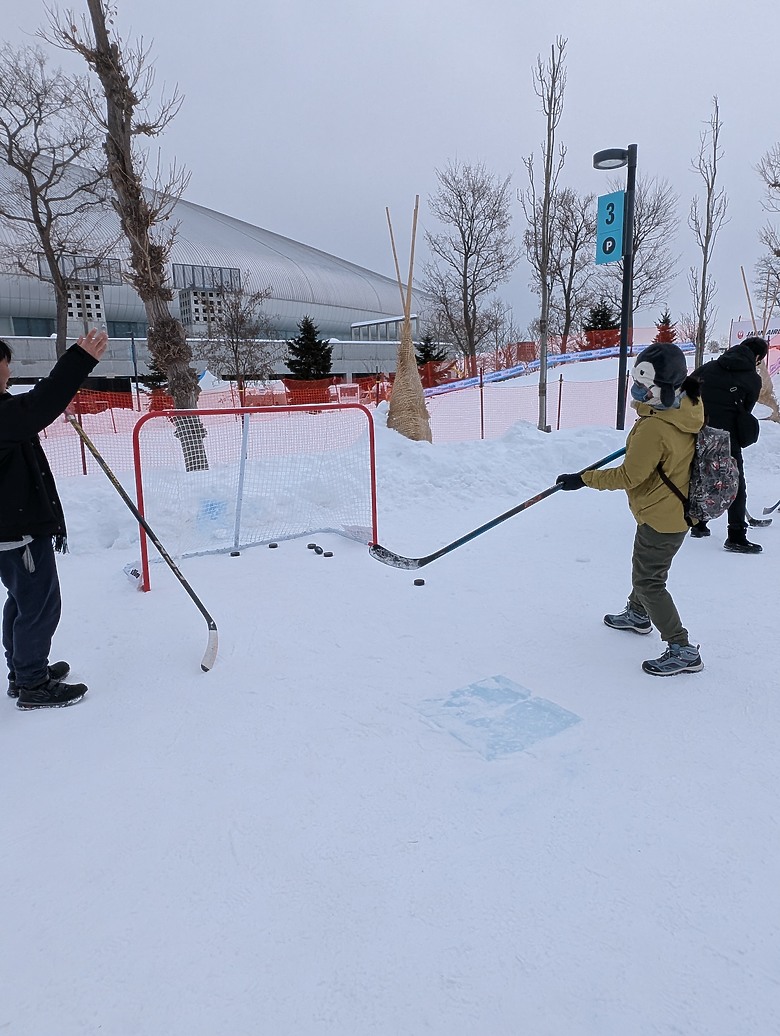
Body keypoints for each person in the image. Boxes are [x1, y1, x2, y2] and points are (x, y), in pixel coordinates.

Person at [556, 343, 705, 677]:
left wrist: (583, 479)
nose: (636, 390)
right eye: (635, 381)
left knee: (649, 579)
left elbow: (629, 475)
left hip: (663, 515)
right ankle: (638, 614)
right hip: (669, 509)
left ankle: (681, 647)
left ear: (664, 388)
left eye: (644, 385)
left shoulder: (655, 427)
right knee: (645, 566)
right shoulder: (684, 406)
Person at [0, 327, 108, 710]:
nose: (9, 373)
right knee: (39, 607)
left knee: (23, 601)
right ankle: (33, 685)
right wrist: (79, 361)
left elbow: (32, 412)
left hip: (14, 529)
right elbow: (41, 404)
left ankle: (23, 671)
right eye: (5, 365)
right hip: (18, 532)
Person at [690, 336, 768, 554]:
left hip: (700, 430)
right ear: (758, 357)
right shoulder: (752, 378)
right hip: (727, 436)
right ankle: (736, 535)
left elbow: (687, 389)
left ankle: (698, 524)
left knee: (699, 474)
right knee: (735, 482)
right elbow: (747, 409)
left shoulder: (710, 366)